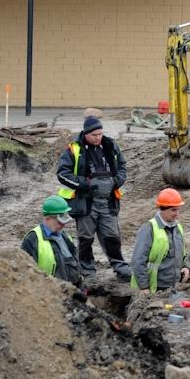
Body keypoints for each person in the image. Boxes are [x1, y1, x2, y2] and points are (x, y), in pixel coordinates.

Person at [56, 116, 130, 280]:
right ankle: (87, 272)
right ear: (86, 134)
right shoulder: (75, 149)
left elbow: (123, 167)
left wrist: (116, 181)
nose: (98, 137)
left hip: (108, 202)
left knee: (112, 237)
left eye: (100, 134)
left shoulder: (110, 146)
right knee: (85, 240)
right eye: (94, 135)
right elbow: (63, 173)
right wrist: (86, 184)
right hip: (86, 203)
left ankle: (120, 268)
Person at [131, 188, 190, 294]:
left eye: (178, 209)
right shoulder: (149, 229)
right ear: (162, 209)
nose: (177, 213)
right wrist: (144, 287)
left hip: (174, 287)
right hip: (156, 288)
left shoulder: (178, 228)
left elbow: (183, 253)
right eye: (173, 210)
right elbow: (138, 260)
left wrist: (186, 267)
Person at [20, 195, 83, 287]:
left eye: (64, 221)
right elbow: (26, 275)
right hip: (49, 295)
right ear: (48, 218)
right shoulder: (32, 239)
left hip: (71, 293)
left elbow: (75, 266)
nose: (63, 225)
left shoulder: (66, 237)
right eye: (59, 221)